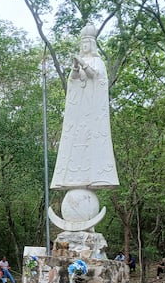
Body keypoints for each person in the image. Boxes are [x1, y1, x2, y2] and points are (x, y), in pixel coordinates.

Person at [50, 24, 119, 191]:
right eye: (82, 45)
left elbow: (96, 77)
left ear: (92, 44)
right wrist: (75, 67)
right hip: (78, 111)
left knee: (92, 141)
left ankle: (95, 176)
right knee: (74, 141)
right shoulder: (81, 61)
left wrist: (84, 64)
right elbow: (73, 80)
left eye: (86, 44)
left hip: (91, 109)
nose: (84, 47)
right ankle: (70, 177)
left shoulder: (97, 61)